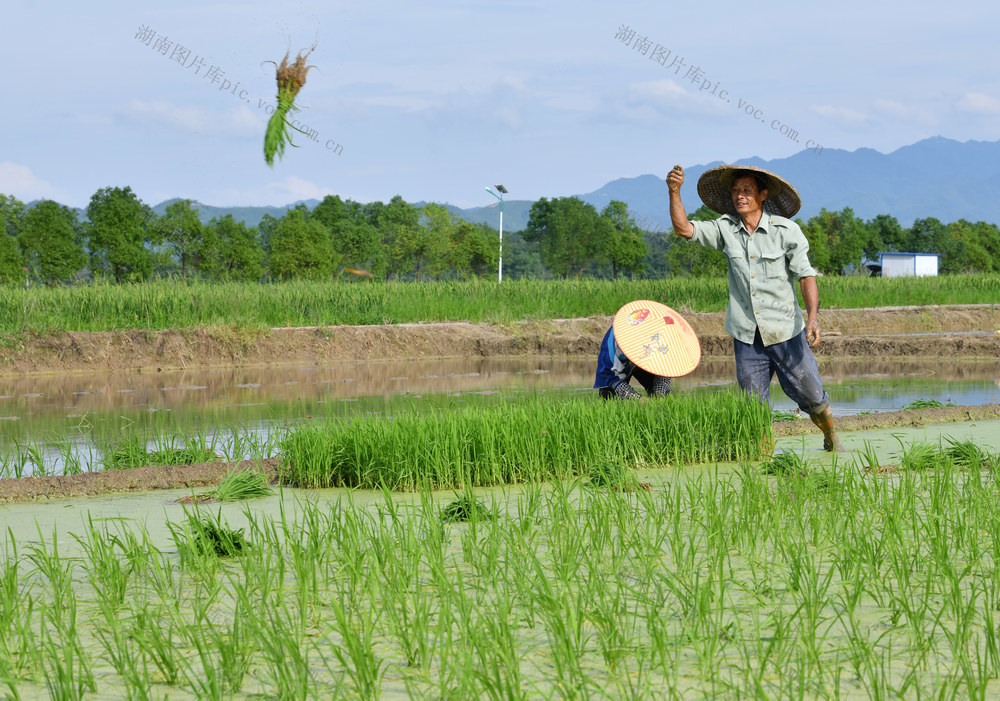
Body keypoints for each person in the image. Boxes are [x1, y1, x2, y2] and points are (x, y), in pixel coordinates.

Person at [665, 164, 842, 451]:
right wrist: (675, 191)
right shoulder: (725, 229)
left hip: (786, 331)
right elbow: (683, 228)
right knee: (752, 406)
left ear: (762, 195)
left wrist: (812, 318)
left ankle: (830, 435)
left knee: (811, 394)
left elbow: (806, 275)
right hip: (747, 335)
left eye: (747, 190)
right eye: (735, 191)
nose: (740, 195)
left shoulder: (785, 231)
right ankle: (764, 456)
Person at [594, 326, 672, 400]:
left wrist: (659, 395)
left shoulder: (658, 340)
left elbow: (665, 368)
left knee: (662, 395)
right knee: (611, 401)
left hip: (646, 355)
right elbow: (611, 378)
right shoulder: (611, 352)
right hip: (615, 368)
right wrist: (639, 399)